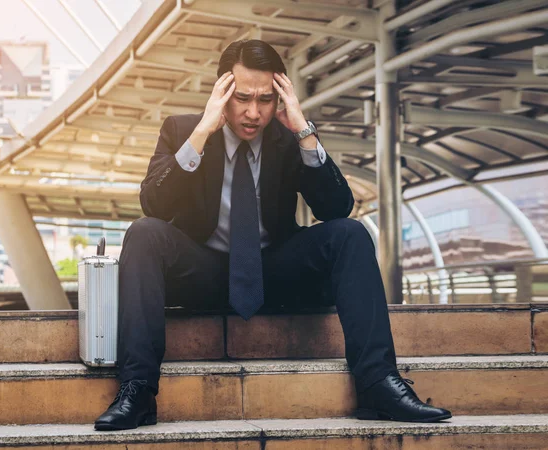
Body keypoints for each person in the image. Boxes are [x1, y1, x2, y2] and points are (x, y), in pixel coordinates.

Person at [94, 39, 451, 431]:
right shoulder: (182, 130)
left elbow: (335, 209)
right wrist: (202, 132)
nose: (253, 112)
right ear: (222, 92)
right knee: (144, 233)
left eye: (265, 100)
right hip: (202, 273)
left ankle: (379, 384)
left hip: (273, 274)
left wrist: (303, 129)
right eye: (242, 98)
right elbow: (154, 204)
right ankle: (138, 390)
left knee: (349, 233)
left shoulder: (288, 138)